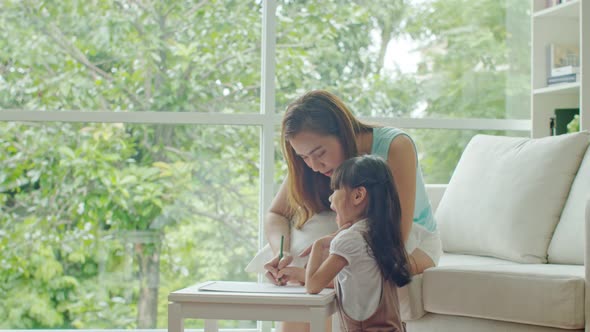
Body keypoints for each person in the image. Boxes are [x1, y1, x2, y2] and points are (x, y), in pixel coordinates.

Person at [263, 89, 442, 331]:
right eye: (304, 157)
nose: (314, 166)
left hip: (406, 236)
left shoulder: (395, 146)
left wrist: (311, 269)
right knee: (304, 245)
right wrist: (282, 252)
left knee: (343, 256)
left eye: (320, 153)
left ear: (342, 131)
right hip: (355, 231)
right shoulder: (311, 163)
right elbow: (277, 214)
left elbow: (393, 239)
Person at [306, 155, 411, 332]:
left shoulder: (349, 240)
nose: (331, 199)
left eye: (336, 189)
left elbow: (313, 285)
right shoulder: (379, 234)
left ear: (358, 195)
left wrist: (318, 245)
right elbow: (349, 283)